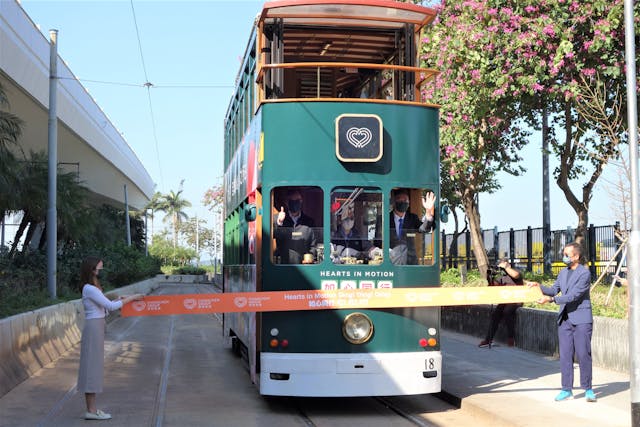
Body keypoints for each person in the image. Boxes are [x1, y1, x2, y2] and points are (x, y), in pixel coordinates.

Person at [527, 242, 596, 403]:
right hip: (565, 319)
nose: (564, 257)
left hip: (581, 320)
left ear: (576, 256)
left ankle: (588, 389)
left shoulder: (584, 274)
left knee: (583, 354)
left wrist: (551, 300)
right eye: (563, 254)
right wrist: (539, 286)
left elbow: (573, 296)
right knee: (565, 355)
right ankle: (566, 389)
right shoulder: (563, 273)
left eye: (567, 255)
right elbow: (554, 289)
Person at [77, 256, 143, 420]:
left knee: (93, 367)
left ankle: (91, 410)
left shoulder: (91, 288)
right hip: (94, 327)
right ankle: (91, 411)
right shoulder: (90, 288)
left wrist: (118, 299)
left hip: (97, 325)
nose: (100, 271)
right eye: (99, 268)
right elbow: (111, 307)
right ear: (91, 269)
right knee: (91, 368)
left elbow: (104, 306)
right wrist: (131, 298)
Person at [478, 258, 524, 348]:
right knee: (495, 314)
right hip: (505, 300)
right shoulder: (501, 277)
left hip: (516, 300)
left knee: (507, 312)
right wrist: (490, 278)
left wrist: (506, 267)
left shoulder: (516, 272)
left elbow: (515, 275)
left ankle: (511, 338)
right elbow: (493, 286)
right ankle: (488, 339)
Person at [388, 189, 436, 265]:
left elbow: (424, 229)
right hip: (390, 263)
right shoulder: (385, 218)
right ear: (394, 202)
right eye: (399, 199)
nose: (402, 201)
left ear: (409, 203)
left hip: (411, 263)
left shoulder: (413, 218)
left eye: (405, 200)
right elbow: (378, 241)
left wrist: (428, 213)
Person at [274, 189, 317, 264]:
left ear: (301, 201)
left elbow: (314, 245)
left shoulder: (309, 222)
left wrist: (310, 257)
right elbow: (271, 236)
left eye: (298, 200)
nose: (295, 203)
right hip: (282, 267)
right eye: (292, 200)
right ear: (287, 202)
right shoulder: (277, 219)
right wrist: (280, 222)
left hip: (304, 268)